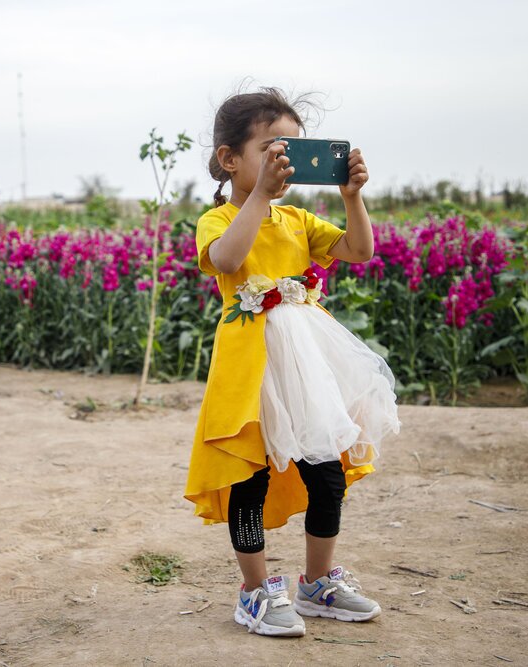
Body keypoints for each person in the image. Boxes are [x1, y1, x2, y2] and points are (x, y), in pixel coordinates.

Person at [183, 87, 402, 637]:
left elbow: (359, 250)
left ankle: (317, 583)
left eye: (295, 150)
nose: (287, 161)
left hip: (306, 362)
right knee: (249, 477)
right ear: (231, 159)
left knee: (327, 472)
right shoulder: (219, 220)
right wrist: (259, 196)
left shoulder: (300, 220)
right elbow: (228, 258)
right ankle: (255, 592)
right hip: (250, 364)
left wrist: (353, 196)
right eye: (273, 149)